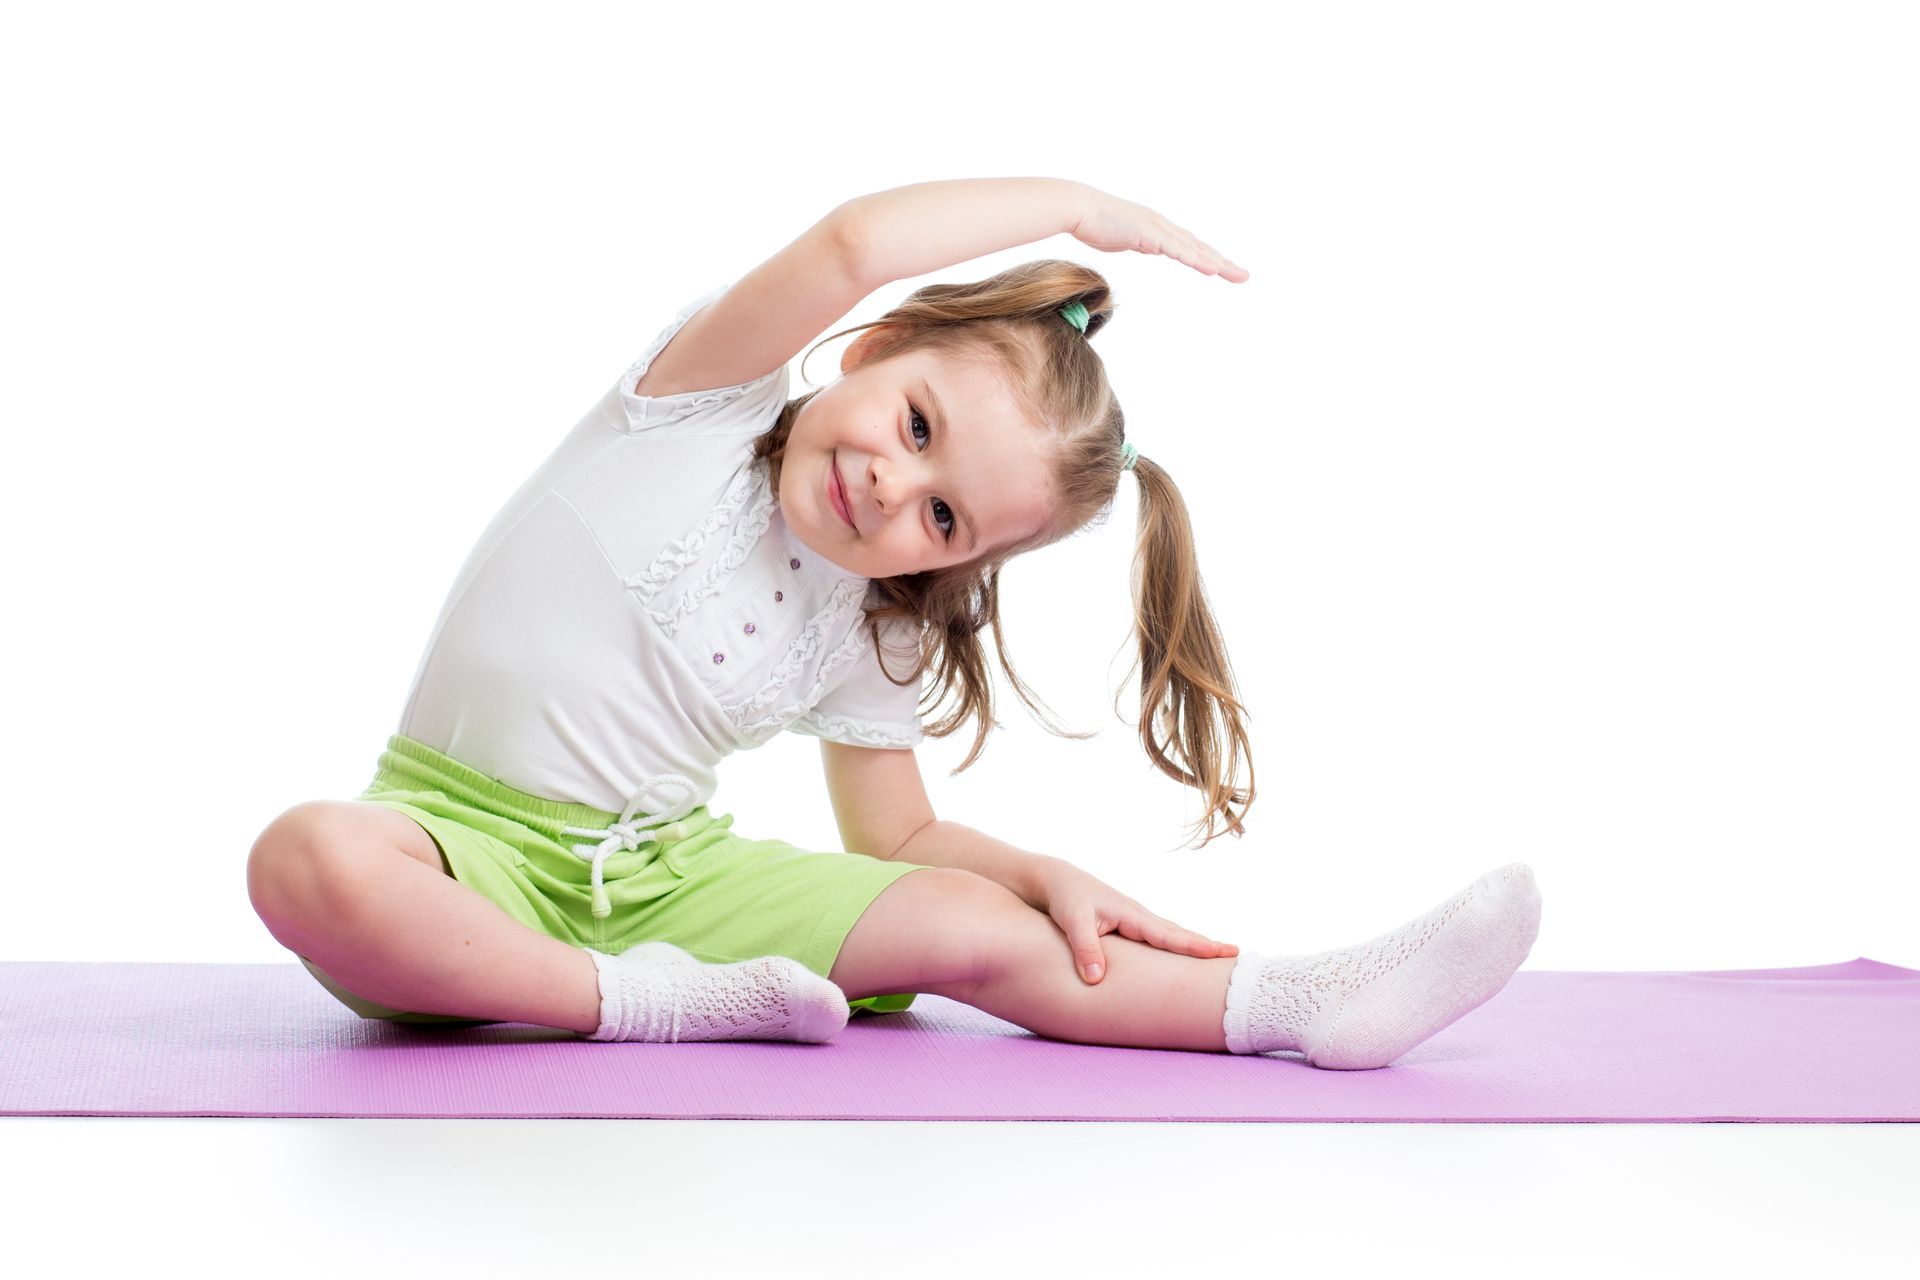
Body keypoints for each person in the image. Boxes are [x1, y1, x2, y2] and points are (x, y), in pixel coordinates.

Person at [245, 177, 1541, 1070]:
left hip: (668, 881)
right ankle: (639, 1008)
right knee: (311, 862)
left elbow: (897, 834)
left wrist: (1042, 881)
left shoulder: (874, 622)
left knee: (974, 932)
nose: (889, 488)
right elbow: (852, 241)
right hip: (456, 859)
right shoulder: (688, 410)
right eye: (917, 428)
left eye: (944, 518)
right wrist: (1077, 210)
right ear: (879, 347)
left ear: (967, 558)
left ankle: (1291, 1003)